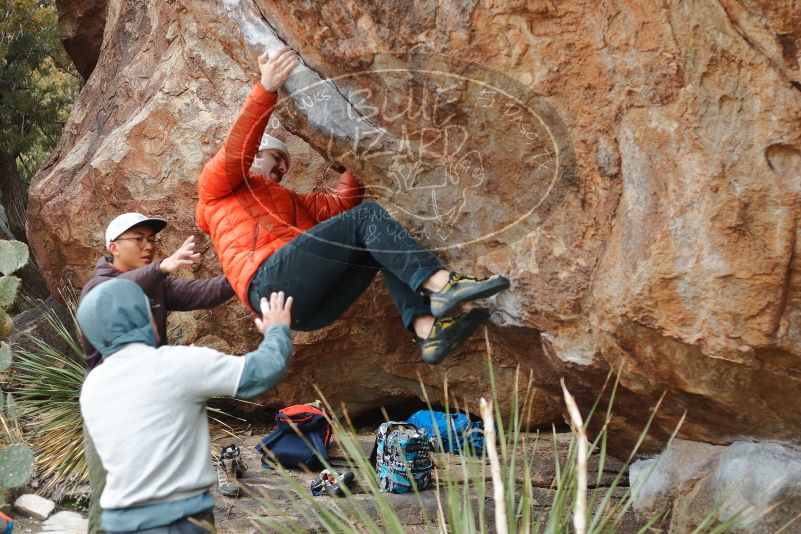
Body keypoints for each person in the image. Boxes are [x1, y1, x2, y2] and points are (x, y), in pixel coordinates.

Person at [196, 47, 510, 366]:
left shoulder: (289, 201)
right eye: (275, 161)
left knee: (377, 242)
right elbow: (237, 152)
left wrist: (356, 159)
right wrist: (266, 89)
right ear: (256, 155)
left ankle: (427, 329)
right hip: (269, 284)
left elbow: (341, 205)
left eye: (283, 168)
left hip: (306, 308)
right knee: (368, 218)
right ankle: (442, 284)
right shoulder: (214, 189)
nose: (279, 171)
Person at [79, 279, 293, 533]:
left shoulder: (93, 386)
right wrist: (277, 329)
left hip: (117, 523)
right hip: (177, 522)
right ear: (145, 318)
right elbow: (263, 371)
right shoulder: (176, 364)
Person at [80, 212, 235, 534]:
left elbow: (204, 293)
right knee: (109, 494)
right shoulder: (100, 287)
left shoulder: (155, 283)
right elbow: (110, 293)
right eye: (139, 239)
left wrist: (244, 272)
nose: (148, 246)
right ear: (113, 247)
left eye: (152, 240)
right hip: (110, 407)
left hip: (151, 402)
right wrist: (161, 267)